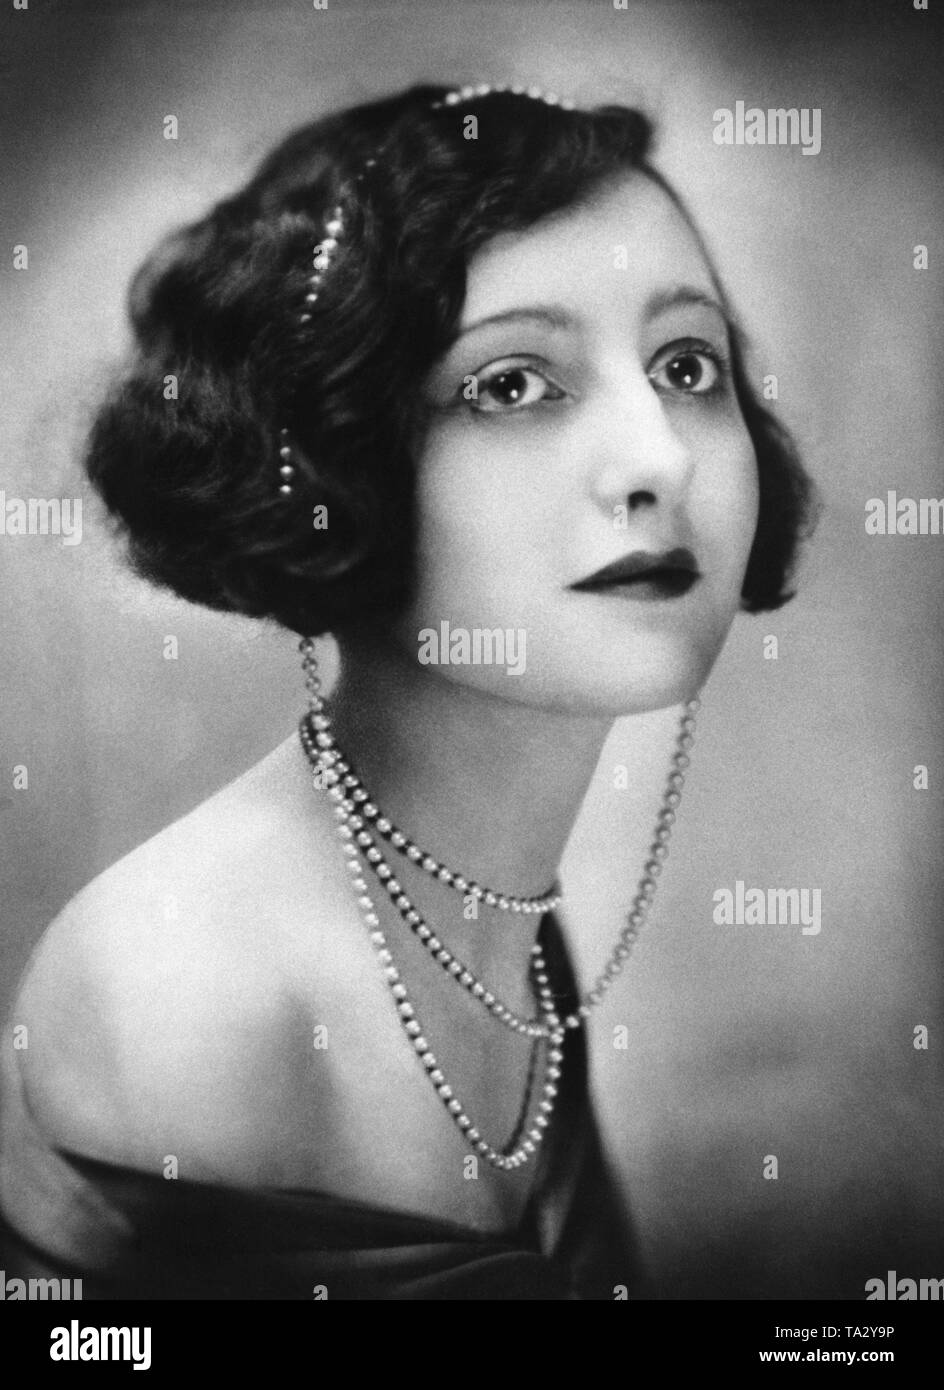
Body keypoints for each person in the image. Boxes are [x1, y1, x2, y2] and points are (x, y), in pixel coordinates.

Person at [0, 81, 814, 1299]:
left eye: (686, 364)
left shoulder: (501, 926)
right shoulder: (192, 995)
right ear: (341, 459)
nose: (658, 456)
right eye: (511, 385)